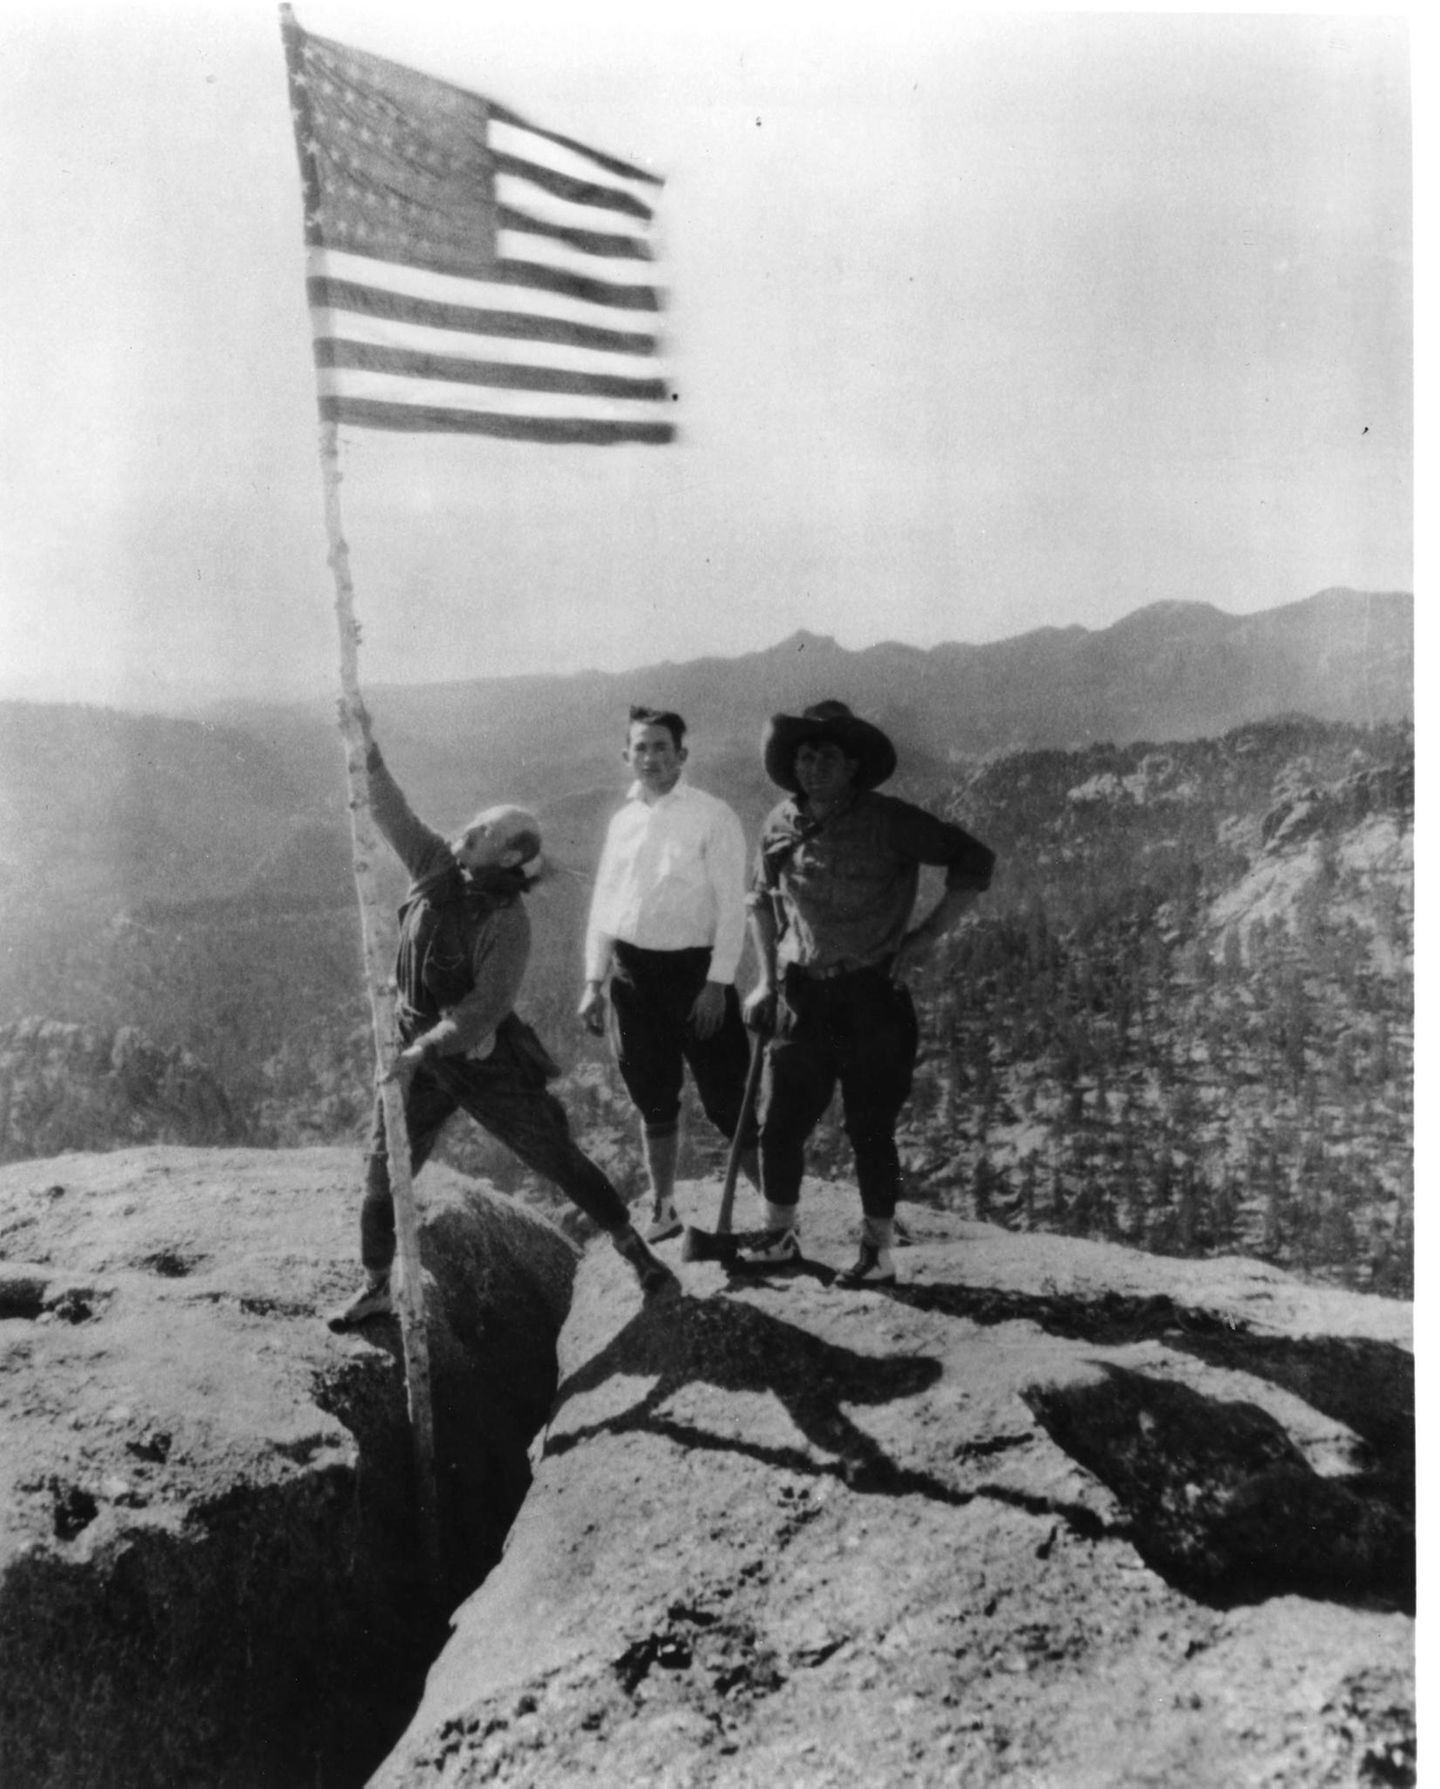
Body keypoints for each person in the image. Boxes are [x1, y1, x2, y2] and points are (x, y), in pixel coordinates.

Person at [331, 704, 677, 1328]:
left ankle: (638, 1255)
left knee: (553, 1152)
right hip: (419, 1050)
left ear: (506, 855)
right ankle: (377, 1283)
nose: (467, 831)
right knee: (385, 1167)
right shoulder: (437, 868)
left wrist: (422, 1051)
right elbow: (391, 811)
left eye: (482, 831)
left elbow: (480, 1012)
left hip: (477, 1057)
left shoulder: (506, 923)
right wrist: (367, 746)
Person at [740, 700, 995, 1287]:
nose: (814, 767)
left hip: (871, 996)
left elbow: (974, 860)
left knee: (869, 1128)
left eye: (829, 756)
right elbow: (759, 901)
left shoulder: (890, 821)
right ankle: (778, 1236)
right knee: (778, 1123)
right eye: (804, 755)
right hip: (801, 993)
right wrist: (764, 981)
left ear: (854, 764)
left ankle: (878, 1253)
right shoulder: (778, 822)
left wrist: (928, 935)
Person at [579, 705, 760, 1243]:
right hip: (631, 975)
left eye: (662, 747)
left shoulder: (713, 815)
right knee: (652, 1096)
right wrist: (593, 981)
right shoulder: (623, 820)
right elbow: (606, 903)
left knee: (729, 1100)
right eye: (641, 747)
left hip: (695, 974)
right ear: (626, 755)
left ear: (682, 755)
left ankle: (776, 1218)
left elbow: (733, 906)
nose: (651, 757)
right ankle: (664, 1208)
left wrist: (716, 984)